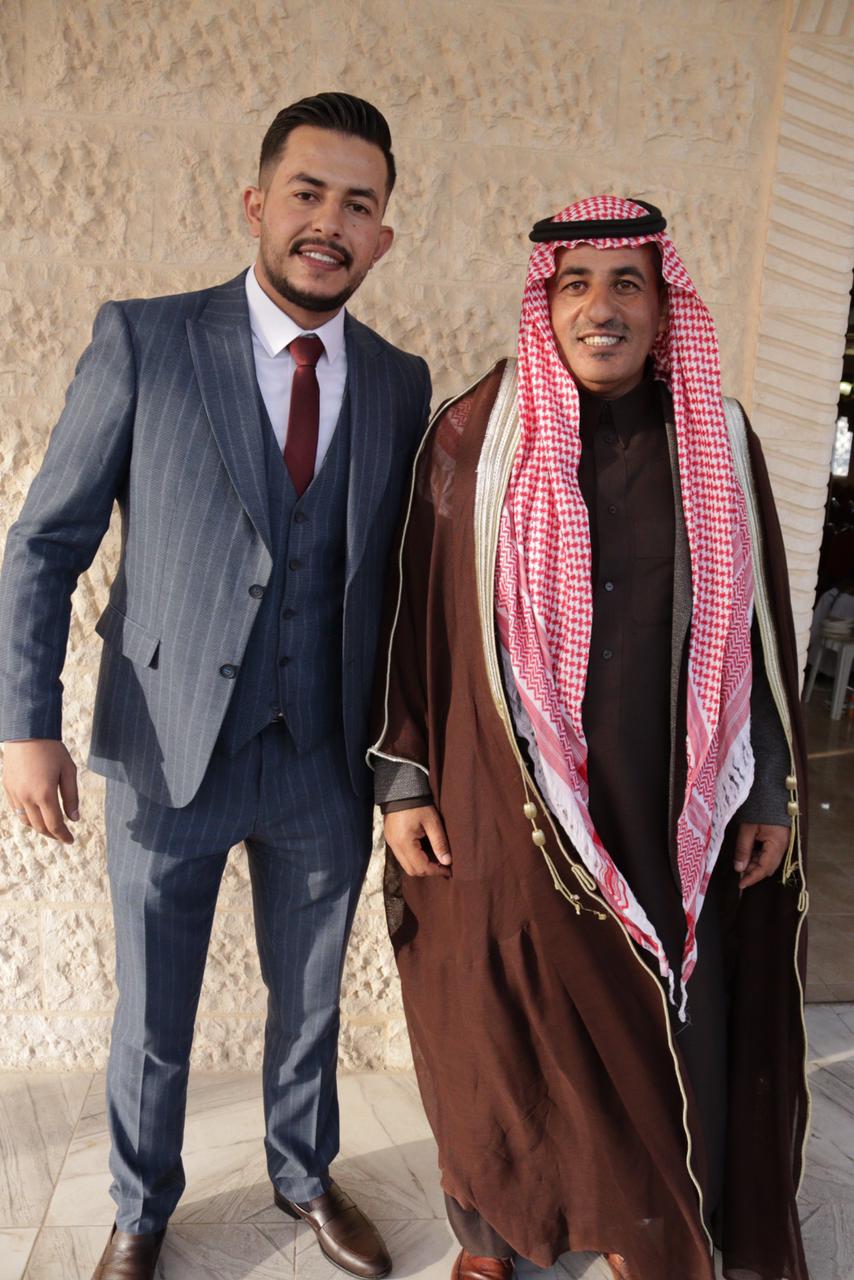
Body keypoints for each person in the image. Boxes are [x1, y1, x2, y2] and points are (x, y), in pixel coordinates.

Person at [0, 92, 431, 1280]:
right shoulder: (146, 339)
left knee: (310, 998)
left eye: (356, 204)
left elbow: (404, 584)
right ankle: (141, 1207)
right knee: (153, 1010)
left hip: (321, 755)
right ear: (256, 203)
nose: (328, 222)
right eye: (307, 192)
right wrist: (24, 725)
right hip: (165, 745)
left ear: (382, 235)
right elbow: (44, 543)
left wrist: (404, 765)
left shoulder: (398, 381)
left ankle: (303, 1172)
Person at [370, 197, 810, 1280]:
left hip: (667, 795)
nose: (600, 307)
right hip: (503, 788)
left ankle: (641, 1222)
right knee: (498, 1017)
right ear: (546, 301)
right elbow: (411, 615)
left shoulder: (716, 436)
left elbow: (754, 630)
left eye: (627, 284)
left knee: (656, 1015)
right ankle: (495, 1233)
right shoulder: (473, 437)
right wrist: (404, 778)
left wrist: (763, 791)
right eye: (576, 284)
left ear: (664, 308)